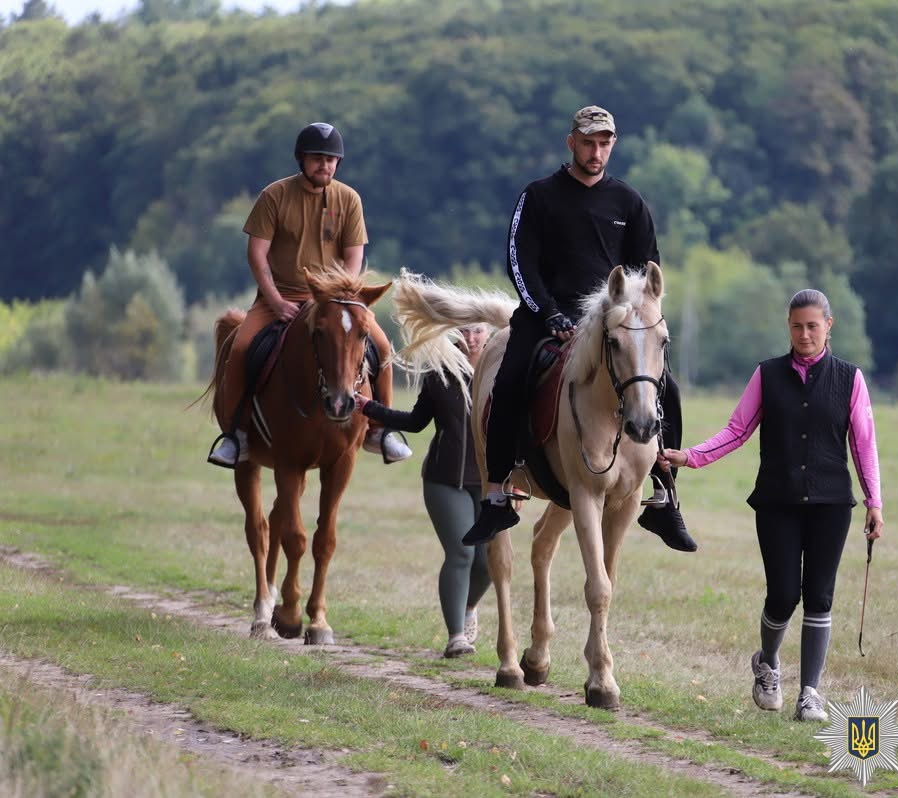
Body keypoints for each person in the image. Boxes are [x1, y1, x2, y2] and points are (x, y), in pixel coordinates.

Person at [461, 105, 695, 552]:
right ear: (572, 143)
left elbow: (646, 271)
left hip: (611, 322)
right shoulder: (538, 195)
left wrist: (631, 316)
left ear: (613, 145)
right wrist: (548, 313)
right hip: (544, 317)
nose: (596, 151)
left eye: (604, 143)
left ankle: (665, 493)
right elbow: (520, 263)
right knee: (509, 381)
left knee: (667, 388)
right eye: (588, 142)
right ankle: (496, 494)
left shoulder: (629, 202)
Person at [658, 289, 884, 722]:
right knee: (782, 596)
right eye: (797, 326)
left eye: (813, 326)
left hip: (831, 504)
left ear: (829, 326)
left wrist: (875, 501)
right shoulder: (767, 375)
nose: (804, 334)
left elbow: (863, 443)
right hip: (777, 502)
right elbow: (737, 430)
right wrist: (690, 456)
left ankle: (810, 694)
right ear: (788, 326)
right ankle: (768, 663)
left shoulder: (850, 379)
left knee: (819, 597)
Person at [208, 122, 410, 467]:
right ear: (301, 159)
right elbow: (257, 254)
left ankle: (380, 430)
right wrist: (275, 301)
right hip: (280, 298)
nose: (324, 165)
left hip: (334, 301)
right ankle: (236, 435)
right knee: (240, 348)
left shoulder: (349, 199)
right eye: (317, 158)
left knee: (381, 347)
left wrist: (342, 297)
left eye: (331, 160)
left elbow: (354, 256)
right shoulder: (274, 196)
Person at [355, 325, 492, 658]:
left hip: (491, 483)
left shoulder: (502, 370)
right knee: (462, 553)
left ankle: (468, 608)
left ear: (488, 332)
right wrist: (369, 407)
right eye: (464, 331)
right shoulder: (440, 373)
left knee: (487, 564)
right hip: (444, 479)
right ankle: (456, 637)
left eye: (477, 331)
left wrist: (517, 479)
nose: (470, 338)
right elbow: (417, 422)